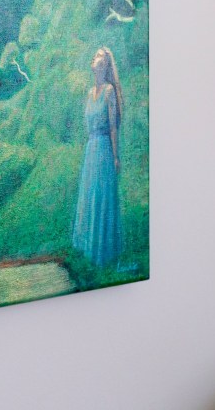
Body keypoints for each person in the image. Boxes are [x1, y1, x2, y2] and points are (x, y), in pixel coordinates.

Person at [72, 46, 123, 267]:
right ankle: (87, 248)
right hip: (91, 149)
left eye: (100, 56)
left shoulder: (109, 91)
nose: (96, 58)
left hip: (103, 148)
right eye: (95, 55)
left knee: (101, 195)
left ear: (106, 64)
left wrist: (115, 156)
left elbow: (113, 127)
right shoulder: (89, 93)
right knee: (90, 195)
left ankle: (103, 251)